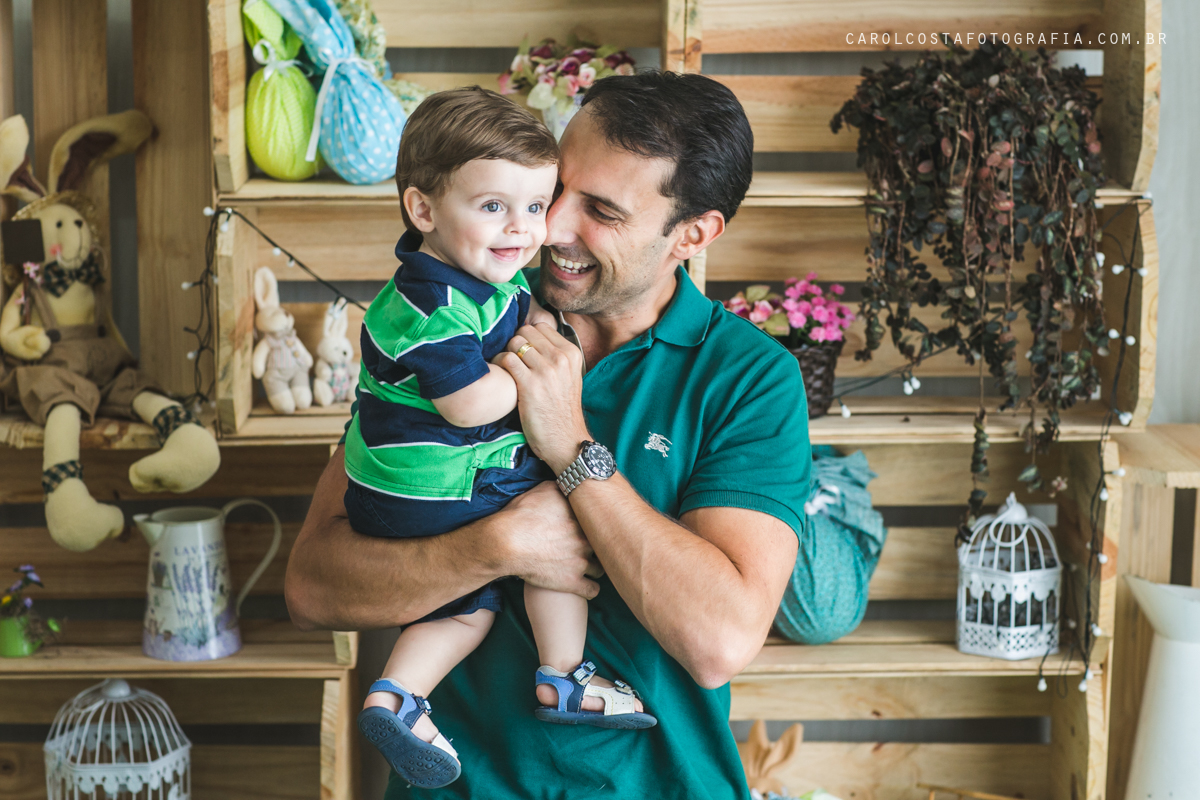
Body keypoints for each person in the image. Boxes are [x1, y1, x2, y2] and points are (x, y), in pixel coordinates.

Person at [287, 71, 872, 799]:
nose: (551, 227)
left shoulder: (749, 378)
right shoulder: (461, 314)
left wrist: (570, 449)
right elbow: (313, 585)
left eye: (601, 210)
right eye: (557, 188)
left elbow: (720, 641)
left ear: (693, 234)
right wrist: (493, 547)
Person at [345, 88, 655, 790]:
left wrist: (532, 323)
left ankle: (396, 697)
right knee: (563, 511)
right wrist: (545, 373)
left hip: (402, 477)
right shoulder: (432, 303)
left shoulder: (480, 276)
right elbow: (469, 405)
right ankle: (565, 676)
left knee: (464, 608)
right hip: (428, 480)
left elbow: (520, 311)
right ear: (422, 210)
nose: (523, 230)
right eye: (493, 207)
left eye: (535, 207)